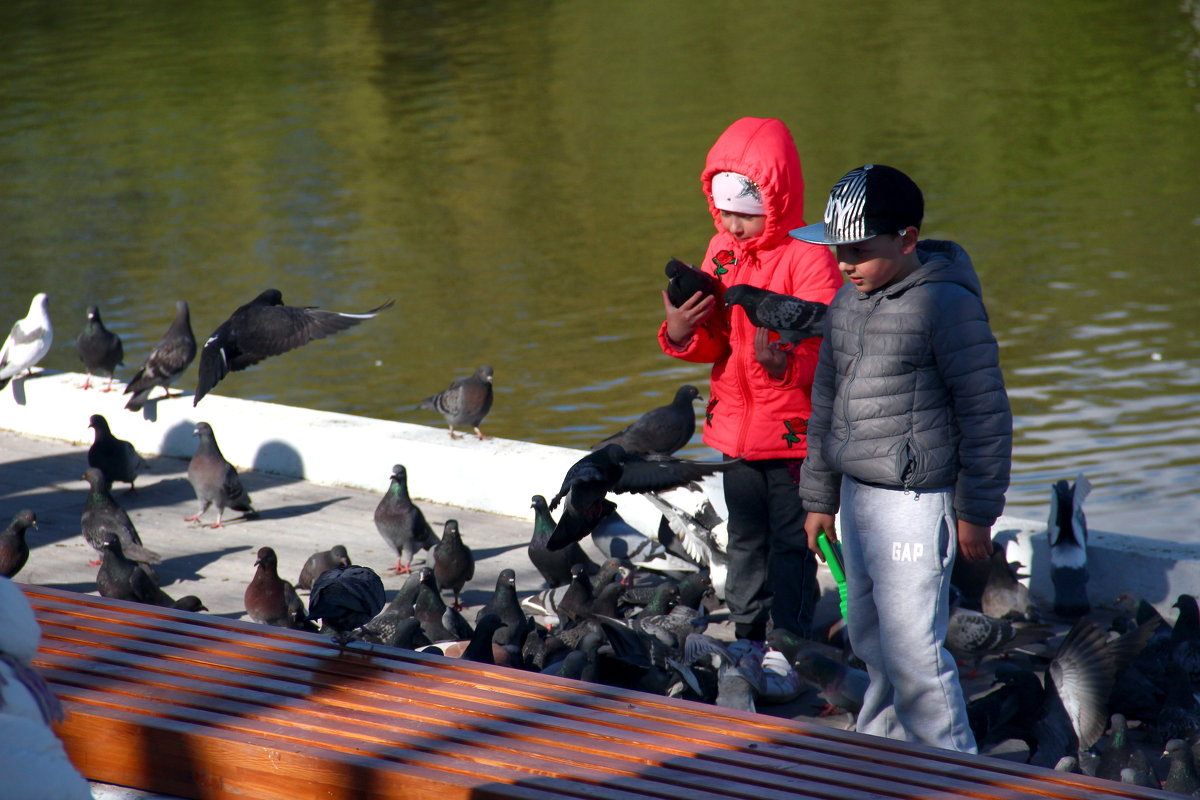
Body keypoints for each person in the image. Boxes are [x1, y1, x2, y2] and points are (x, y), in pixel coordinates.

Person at [792, 164, 1012, 753]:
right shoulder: (846, 302)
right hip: (858, 495)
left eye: (860, 251)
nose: (844, 263)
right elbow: (825, 404)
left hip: (916, 501)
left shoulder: (945, 305)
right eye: (837, 250)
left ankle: (951, 768)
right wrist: (818, 498)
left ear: (907, 238)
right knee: (867, 634)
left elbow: (985, 415)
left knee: (915, 648)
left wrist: (976, 513)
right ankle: (883, 752)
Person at [658, 117, 842, 643]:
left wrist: (788, 368)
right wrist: (679, 330)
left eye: (746, 215)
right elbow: (716, 343)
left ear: (776, 202)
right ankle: (746, 634)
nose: (734, 227)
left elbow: (833, 351)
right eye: (726, 213)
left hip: (792, 438)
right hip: (734, 435)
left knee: (792, 543)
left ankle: (789, 639)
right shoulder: (720, 251)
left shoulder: (810, 258)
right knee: (744, 539)